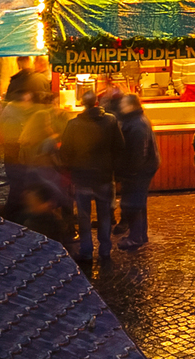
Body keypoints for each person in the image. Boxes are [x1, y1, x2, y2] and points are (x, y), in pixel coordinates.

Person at [53, 89, 120, 267]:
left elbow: (65, 151)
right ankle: (105, 250)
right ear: (97, 103)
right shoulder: (111, 121)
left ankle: (87, 251)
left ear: (83, 103)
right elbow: (119, 146)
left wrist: (71, 168)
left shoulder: (73, 124)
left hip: (81, 176)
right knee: (104, 214)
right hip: (104, 176)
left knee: (84, 216)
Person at [98, 76, 156, 248]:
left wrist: (130, 172)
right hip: (141, 168)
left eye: (123, 104)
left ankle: (136, 237)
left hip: (138, 171)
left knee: (134, 203)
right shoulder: (135, 119)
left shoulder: (137, 125)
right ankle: (140, 234)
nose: (121, 107)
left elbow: (139, 153)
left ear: (130, 106)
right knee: (138, 203)